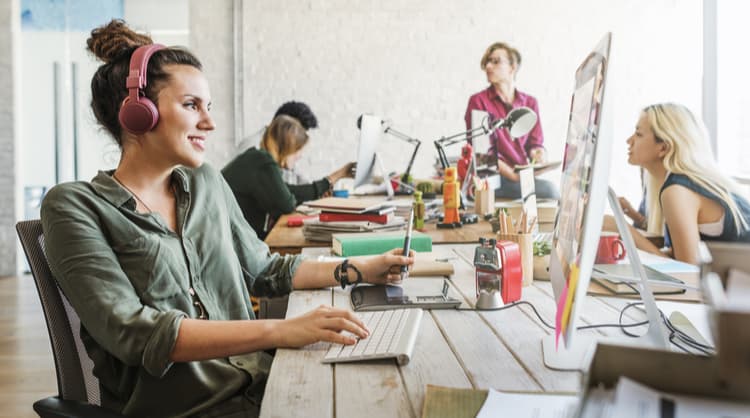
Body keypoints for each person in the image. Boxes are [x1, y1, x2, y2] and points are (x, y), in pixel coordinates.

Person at [40, 19, 413, 417]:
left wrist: (361, 269)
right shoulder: (74, 207)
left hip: (262, 386)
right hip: (191, 409)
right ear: (136, 113)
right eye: (191, 105)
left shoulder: (206, 182)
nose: (209, 122)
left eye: (209, 106)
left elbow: (265, 269)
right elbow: (135, 332)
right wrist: (282, 331)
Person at [611, 103, 750, 264]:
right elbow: (681, 256)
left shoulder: (677, 190)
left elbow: (688, 271)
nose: (629, 140)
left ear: (663, 148)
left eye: (638, 134)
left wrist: (620, 228)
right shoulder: (681, 183)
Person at [222, 114, 355, 239]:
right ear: (288, 147)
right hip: (235, 243)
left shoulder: (257, 158)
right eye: (298, 151)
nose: (300, 156)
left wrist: (332, 178)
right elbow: (286, 204)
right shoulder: (262, 161)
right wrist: (334, 178)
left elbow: (286, 191)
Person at [464, 42, 559, 199]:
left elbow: (535, 144)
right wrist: (515, 177)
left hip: (521, 175)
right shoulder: (478, 101)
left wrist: (539, 154)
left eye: (495, 61)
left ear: (512, 67)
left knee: (549, 192)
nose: (488, 66)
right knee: (550, 191)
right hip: (494, 178)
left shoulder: (530, 103)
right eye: (487, 62)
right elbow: (483, 156)